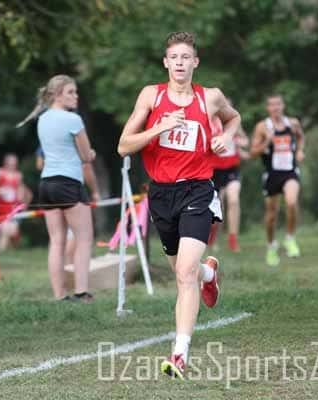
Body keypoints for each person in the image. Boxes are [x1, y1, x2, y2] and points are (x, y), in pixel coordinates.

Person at [117, 31, 240, 379]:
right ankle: (209, 273)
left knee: (184, 273)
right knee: (183, 270)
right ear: (166, 63)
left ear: (195, 62)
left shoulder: (210, 97)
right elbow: (124, 146)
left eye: (187, 57)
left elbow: (234, 118)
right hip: (161, 194)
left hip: (198, 189)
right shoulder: (151, 96)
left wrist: (226, 137)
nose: (181, 63)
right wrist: (159, 128)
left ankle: (180, 354)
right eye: (175, 57)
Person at [18, 74, 100, 303]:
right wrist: (90, 154)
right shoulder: (73, 120)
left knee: (56, 241)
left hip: (46, 184)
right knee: (84, 238)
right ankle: (82, 292)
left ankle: (59, 295)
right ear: (56, 95)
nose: (76, 96)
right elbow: (86, 156)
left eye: (76, 92)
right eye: (70, 92)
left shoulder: (43, 119)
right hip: (69, 182)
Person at [250, 95, 305, 266]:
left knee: (291, 202)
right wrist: (267, 140)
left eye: (278, 104)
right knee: (272, 215)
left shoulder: (292, 123)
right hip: (272, 173)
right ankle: (271, 246)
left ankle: (289, 238)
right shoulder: (262, 127)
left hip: (290, 171)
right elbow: (253, 153)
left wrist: (300, 151)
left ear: (283, 105)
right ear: (268, 108)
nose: (275, 108)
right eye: (272, 105)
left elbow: (301, 137)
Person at [208, 104, 250, 252]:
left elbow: (245, 141)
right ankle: (212, 237)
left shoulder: (233, 123)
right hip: (214, 171)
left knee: (233, 200)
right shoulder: (209, 123)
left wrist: (238, 141)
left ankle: (233, 239)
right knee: (217, 208)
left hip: (232, 169)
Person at [0, 153, 31, 252]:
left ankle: (8, 254)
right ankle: (2, 253)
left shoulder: (18, 176)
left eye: (14, 164)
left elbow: (24, 192)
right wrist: (0, 190)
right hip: (0, 209)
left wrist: (23, 202)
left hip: (13, 210)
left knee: (13, 234)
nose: (12, 167)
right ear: (5, 163)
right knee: (5, 232)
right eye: (10, 164)